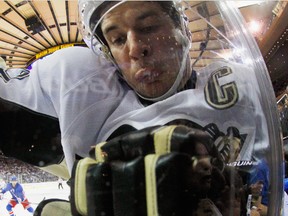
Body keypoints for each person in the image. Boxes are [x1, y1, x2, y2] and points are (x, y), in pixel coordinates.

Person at [0, 1, 281, 215]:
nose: (135, 49)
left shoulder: (235, 88)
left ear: (182, 30)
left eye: (148, 27)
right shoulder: (81, 86)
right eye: (118, 39)